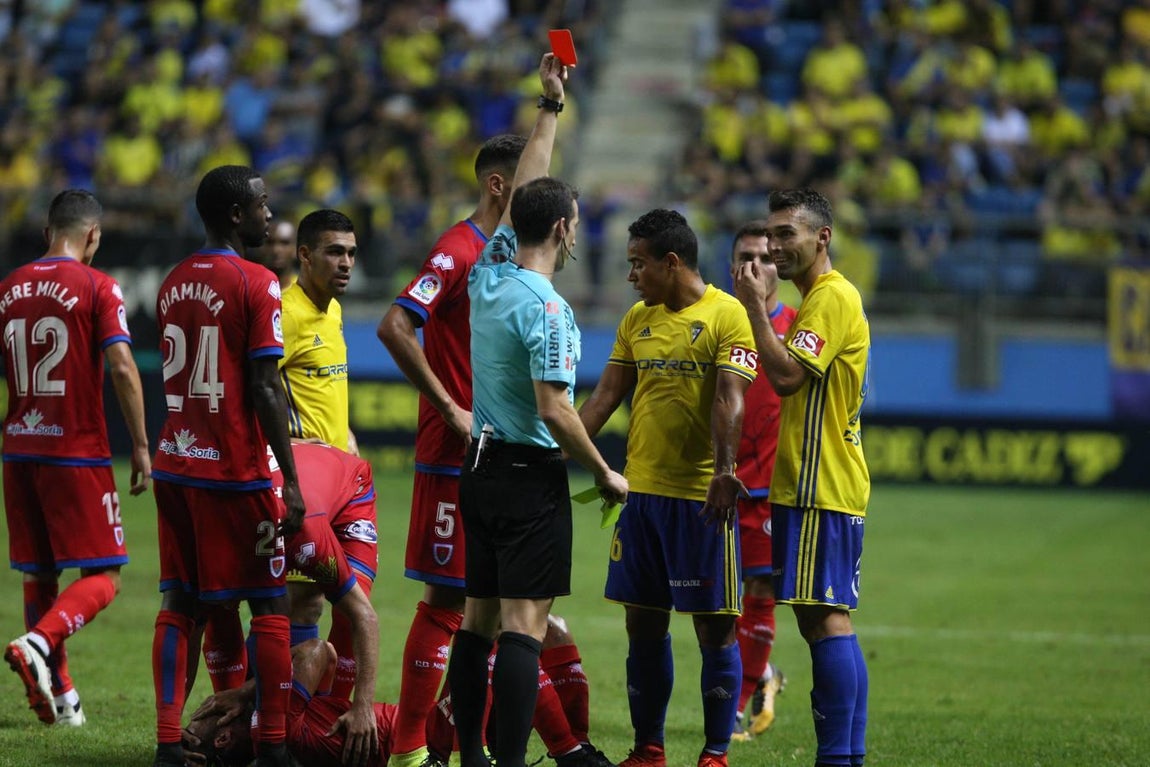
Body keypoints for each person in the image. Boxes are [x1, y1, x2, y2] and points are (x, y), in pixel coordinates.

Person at [444, 52, 628, 767]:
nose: (576, 231)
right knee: (525, 625)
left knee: (477, 622)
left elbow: (525, 190)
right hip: (527, 474)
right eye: (573, 222)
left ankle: (471, 754)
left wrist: (550, 106)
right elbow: (556, 409)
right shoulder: (549, 311)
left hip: (480, 466)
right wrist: (604, 470)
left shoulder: (489, 274)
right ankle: (511, 762)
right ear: (561, 231)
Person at [578, 208, 759, 767]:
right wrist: (556, 451)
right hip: (640, 495)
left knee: (714, 627)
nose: (632, 276)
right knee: (643, 622)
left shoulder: (729, 315)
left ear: (671, 261)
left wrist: (726, 471)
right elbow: (606, 397)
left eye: (639, 264)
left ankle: (714, 752)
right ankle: (648, 748)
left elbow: (731, 398)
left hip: (701, 497)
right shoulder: (637, 319)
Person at [377, 130, 526, 767]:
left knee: (494, 608)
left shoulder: (511, 254)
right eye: (529, 179)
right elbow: (396, 323)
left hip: (502, 450)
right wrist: (448, 407)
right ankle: (409, 749)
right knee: (449, 598)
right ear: (498, 185)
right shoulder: (458, 249)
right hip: (454, 452)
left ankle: (464, 744)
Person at [150, 164, 306, 767]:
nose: (270, 215)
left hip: (176, 461)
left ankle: (168, 744)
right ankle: (271, 749)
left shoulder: (172, 281)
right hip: (233, 472)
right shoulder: (258, 281)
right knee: (269, 604)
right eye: (263, 206)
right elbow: (266, 387)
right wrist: (289, 479)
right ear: (238, 215)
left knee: (180, 604)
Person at [1, 189, 150, 727]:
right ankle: (39, 641)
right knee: (105, 574)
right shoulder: (98, 285)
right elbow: (123, 367)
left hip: (18, 449)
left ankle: (61, 700)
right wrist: (139, 443)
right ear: (93, 237)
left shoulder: (8, 287)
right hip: (76, 452)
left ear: (47, 234)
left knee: (38, 573)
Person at [732, 188, 870, 767]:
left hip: (820, 485)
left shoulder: (830, 298)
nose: (776, 245)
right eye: (772, 233)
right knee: (822, 618)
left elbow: (787, 377)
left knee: (824, 619)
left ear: (822, 238)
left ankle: (839, 757)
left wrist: (756, 308)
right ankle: (845, 755)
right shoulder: (821, 298)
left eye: (787, 234)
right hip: (813, 484)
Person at [182, 617, 597, 767]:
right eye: (214, 712)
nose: (221, 706)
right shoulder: (279, 727)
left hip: (437, 728)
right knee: (507, 634)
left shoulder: (290, 728)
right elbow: (312, 651)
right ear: (223, 733)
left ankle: (575, 747)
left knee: (545, 629)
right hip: (437, 741)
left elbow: (326, 654)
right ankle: (571, 751)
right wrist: (247, 691)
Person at [195, 441, 381, 764]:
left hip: (350, 494)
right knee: (214, 609)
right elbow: (186, 623)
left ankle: (324, 729)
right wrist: (168, 735)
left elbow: (365, 617)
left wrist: (363, 705)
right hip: (293, 485)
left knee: (347, 611)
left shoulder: (308, 540)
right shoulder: (210, 526)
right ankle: (246, 720)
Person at [276, 208, 361, 697]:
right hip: (301, 480)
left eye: (350, 252)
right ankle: (265, 721)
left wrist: (342, 431)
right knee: (294, 603)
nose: (346, 262)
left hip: (336, 476)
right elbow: (256, 389)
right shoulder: (285, 314)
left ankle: (287, 717)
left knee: (310, 603)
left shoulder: (333, 308)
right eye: (334, 252)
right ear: (304, 256)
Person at [725, 221, 796, 741]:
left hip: (771, 490)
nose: (757, 266)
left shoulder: (799, 325)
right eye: (747, 256)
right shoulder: (713, 322)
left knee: (759, 589)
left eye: (767, 258)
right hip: (715, 484)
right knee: (710, 604)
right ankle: (763, 675)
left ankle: (738, 701)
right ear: (732, 266)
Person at [252, 218, 298, 290]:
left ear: (296, 249)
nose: (276, 250)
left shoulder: (306, 291)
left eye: (284, 243)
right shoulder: (248, 286)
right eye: (270, 242)